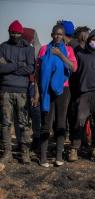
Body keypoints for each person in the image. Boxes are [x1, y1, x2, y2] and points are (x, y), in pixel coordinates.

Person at [36, 24, 77, 167]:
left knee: (60, 122)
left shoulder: (69, 50)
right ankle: (43, 157)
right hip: (46, 90)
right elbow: (37, 73)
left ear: (64, 36)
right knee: (46, 123)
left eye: (61, 34)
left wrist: (60, 54)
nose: (58, 36)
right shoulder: (43, 49)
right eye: (56, 34)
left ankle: (59, 156)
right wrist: (37, 93)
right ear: (52, 34)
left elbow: (73, 67)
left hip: (63, 90)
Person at [69, 29, 95, 162]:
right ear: (88, 40)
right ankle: (74, 149)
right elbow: (74, 75)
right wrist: (75, 94)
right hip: (84, 93)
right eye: (93, 39)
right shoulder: (80, 54)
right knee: (79, 121)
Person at [0, 20, 35, 168]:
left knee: (24, 124)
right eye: (12, 32)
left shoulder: (28, 49)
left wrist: (9, 66)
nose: (15, 35)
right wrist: (18, 65)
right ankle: (7, 153)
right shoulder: (3, 47)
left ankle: (24, 152)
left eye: (17, 33)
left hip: (22, 92)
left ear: (21, 33)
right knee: (6, 123)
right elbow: (0, 69)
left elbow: (31, 68)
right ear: (9, 32)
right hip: (5, 91)